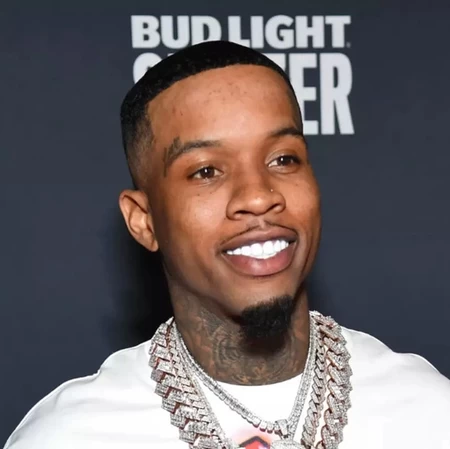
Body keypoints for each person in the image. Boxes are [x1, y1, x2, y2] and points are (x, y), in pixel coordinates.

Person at [4, 41, 450, 449]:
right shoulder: (69, 437)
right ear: (144, 220)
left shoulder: (429, 412)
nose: (258, 196)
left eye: (283, 159)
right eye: (206, 171)